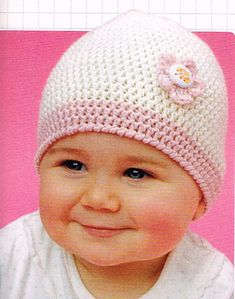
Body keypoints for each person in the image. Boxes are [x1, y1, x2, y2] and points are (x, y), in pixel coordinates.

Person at [0, 10, 233, 299]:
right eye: (73, 164)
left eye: (136, 173)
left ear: (200, 197)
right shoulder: (14, 258)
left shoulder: (215, 287)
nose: (98, 199)